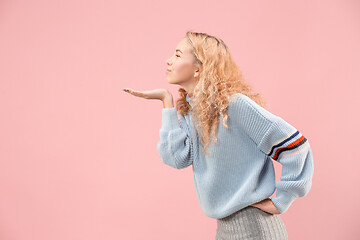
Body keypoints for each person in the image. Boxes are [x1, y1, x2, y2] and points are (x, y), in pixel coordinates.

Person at [123, 31, 314, 240]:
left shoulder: (234, 105)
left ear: (198, 68)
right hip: (225, 230)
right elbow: (176, 158)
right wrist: (167, 102)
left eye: (177, 55)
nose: (168, 61)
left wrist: (283, 200)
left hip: (255, 228)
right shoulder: (192, 112)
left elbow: (296, 147)